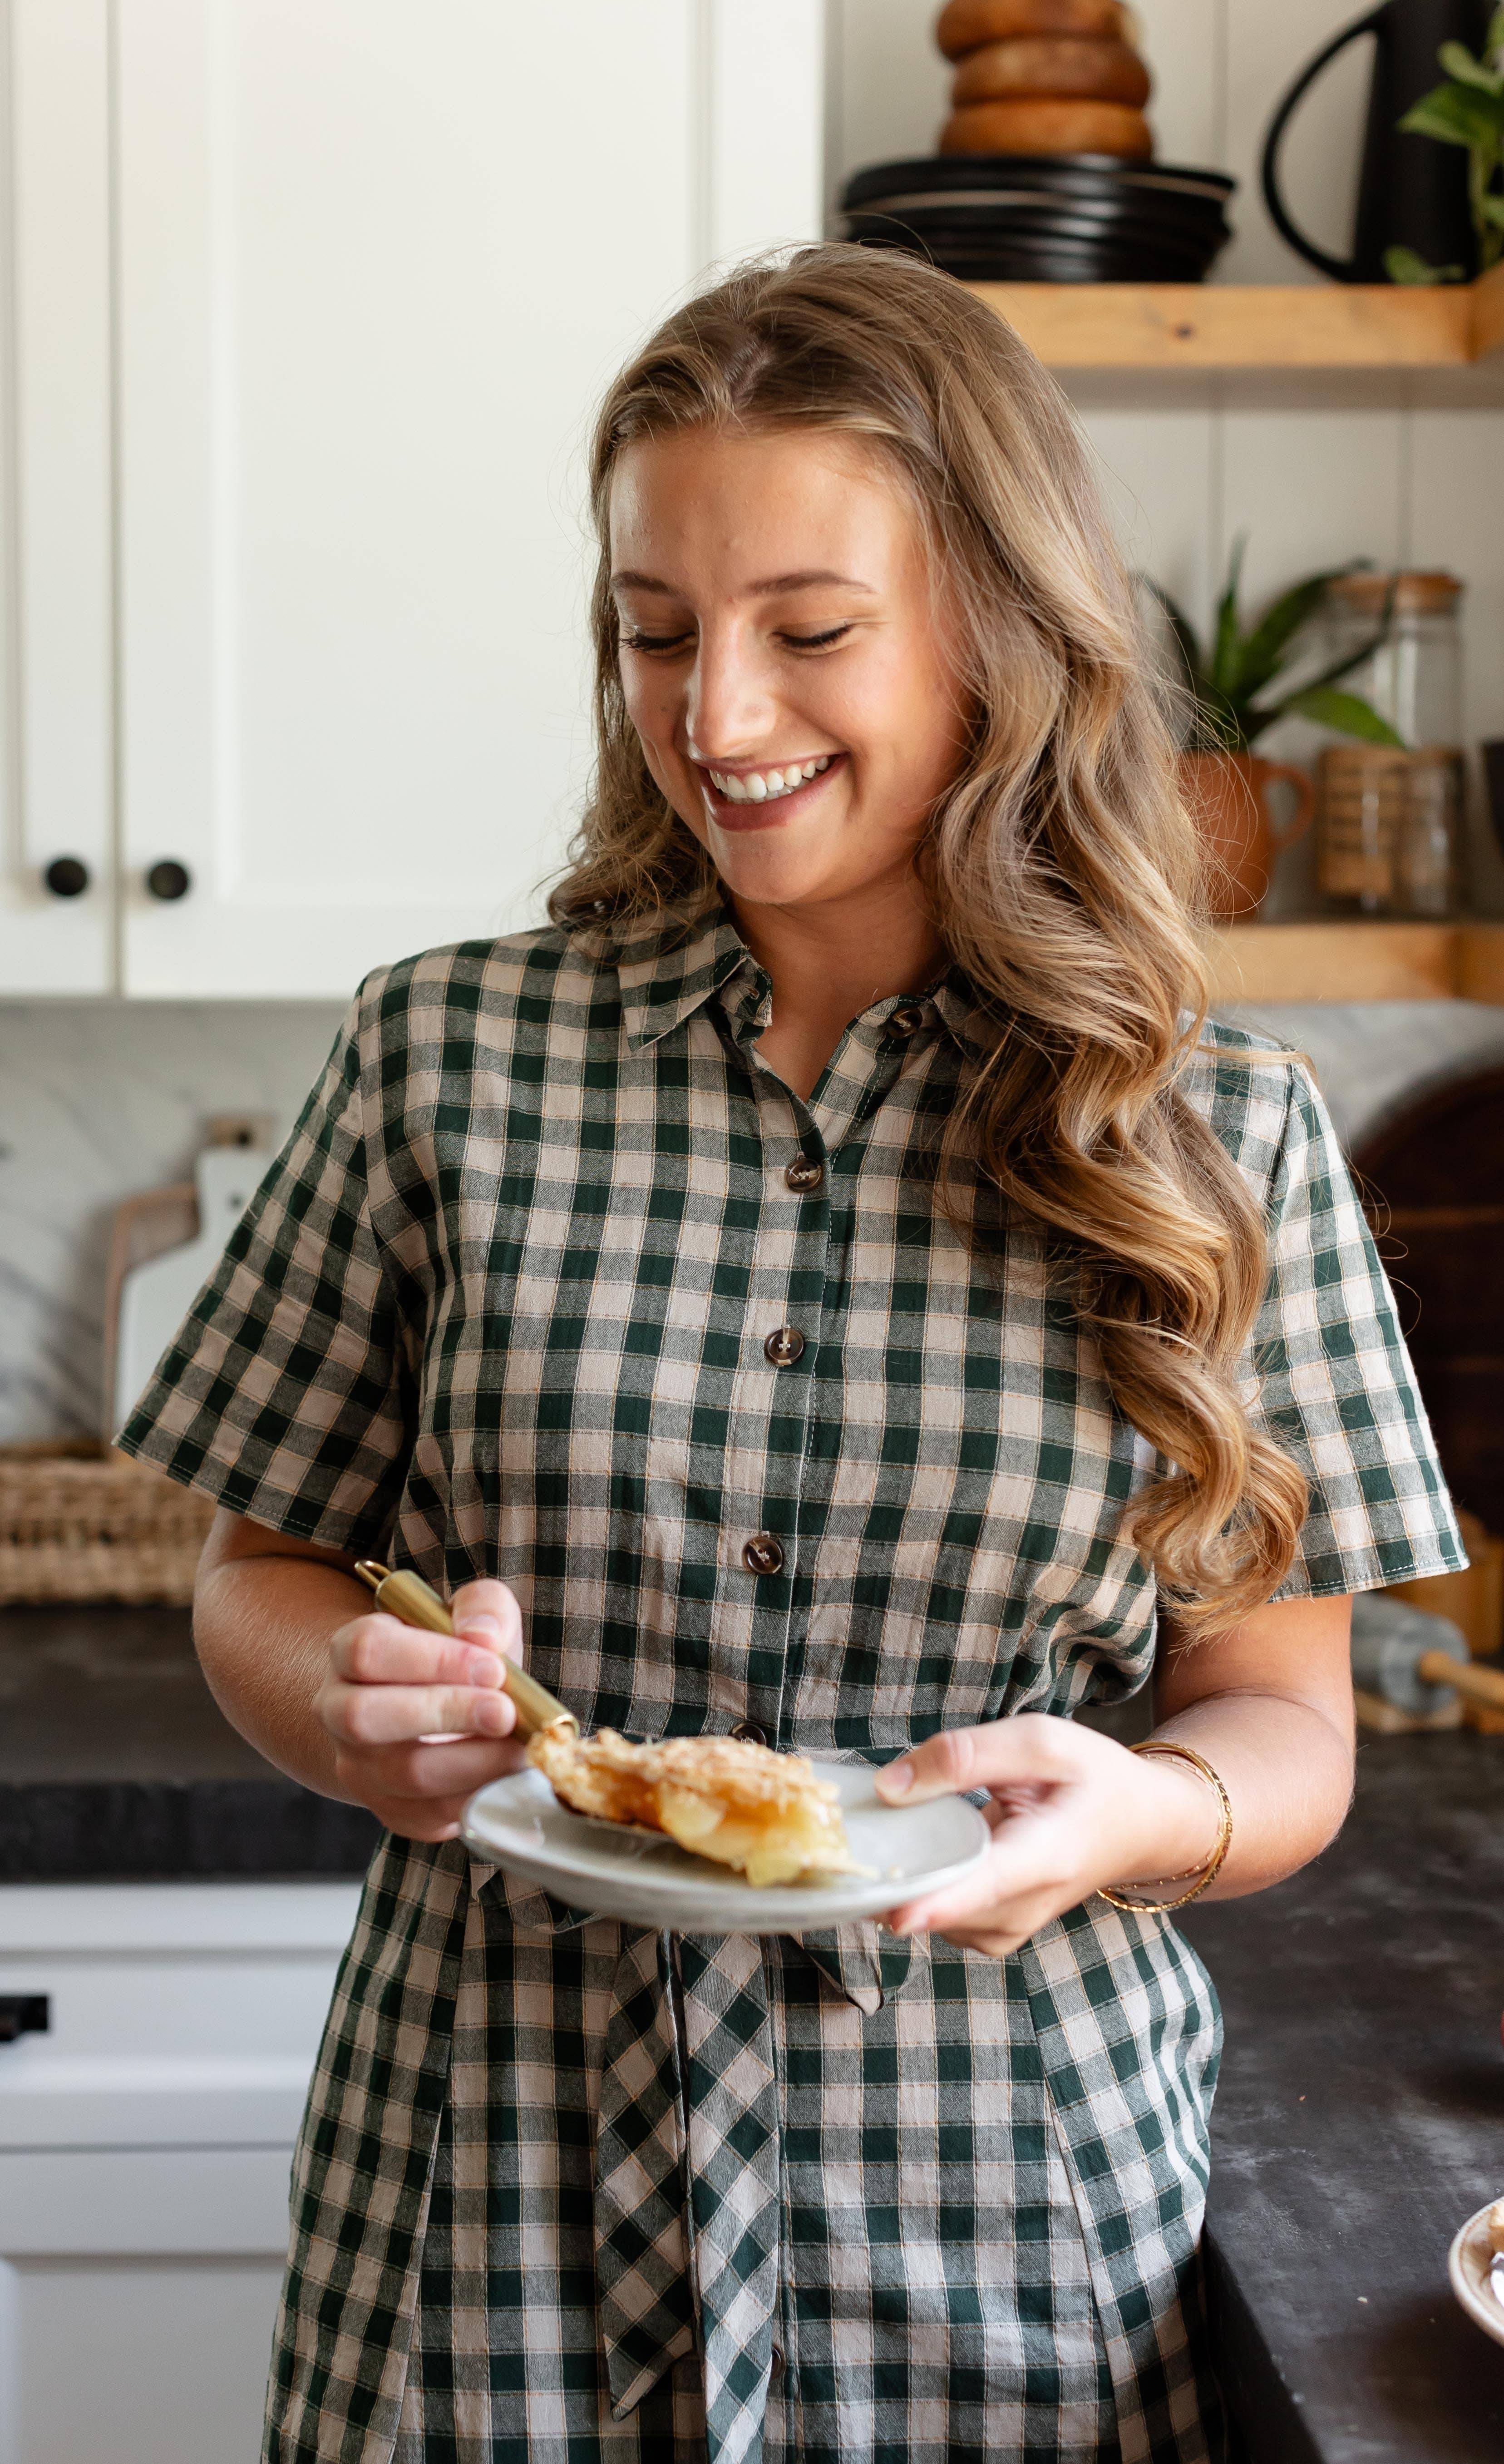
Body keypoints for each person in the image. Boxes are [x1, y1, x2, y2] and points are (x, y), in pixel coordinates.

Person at [119, 247, 1461, 2464]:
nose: (716, 717)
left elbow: (1279, 1727)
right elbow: (258, 1575)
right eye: (655, 632)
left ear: (994, 633)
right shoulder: (443, 1059)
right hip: (486, 2185)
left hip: (995, 2220)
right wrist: (356, 1720)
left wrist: (1148, 1810)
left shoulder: (1218, 1135)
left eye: (808, 632)